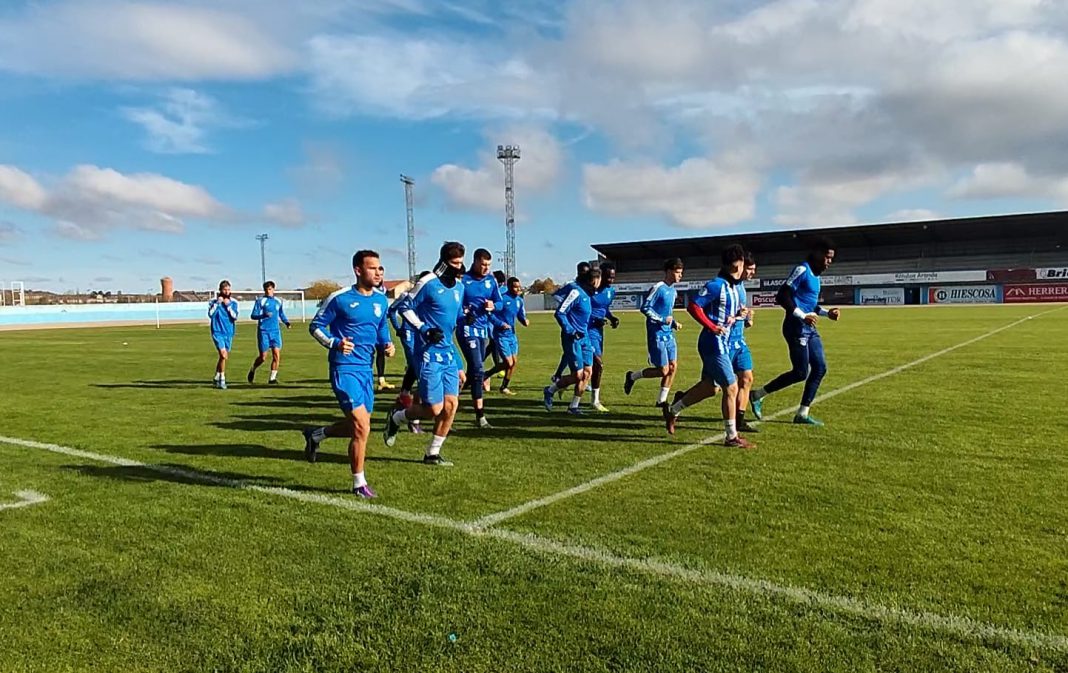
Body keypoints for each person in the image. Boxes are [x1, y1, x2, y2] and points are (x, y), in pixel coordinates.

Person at [301, 250, 395, 498]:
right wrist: (335, 343)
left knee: (358, 427)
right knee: (362, 426)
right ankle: (358, 483)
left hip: (366, 369)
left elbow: (381, 326)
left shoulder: (381, 300)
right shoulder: (340, 298)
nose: (378, 272)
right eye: (373, 268)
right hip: (344, 368)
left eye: (380, 268)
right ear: (358, 270)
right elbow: (316, 326)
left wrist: (387, 344)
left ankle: (316, 434)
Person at [662, 244, 755, 448]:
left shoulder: (737, 286)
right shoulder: (716, 285)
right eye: (742, 264)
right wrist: (712, 326)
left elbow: (735, 313)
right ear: (737, 265)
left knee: (710, 388)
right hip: (714, 343)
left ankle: (673, 409)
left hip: (731, 342)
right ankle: (731, 437)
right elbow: (693, 305)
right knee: (730, 387)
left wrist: (744, 316)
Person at [383, 242, 467, 466]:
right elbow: (404, 307)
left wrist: (459, 362)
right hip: (428, 353)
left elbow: (455, 323)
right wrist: (424, 328)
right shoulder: (428, 282)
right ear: (444, 262)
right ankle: (397, 417)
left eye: (461, 262)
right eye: (455, 263)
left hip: (448, 354)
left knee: (451, 406)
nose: (459, 267)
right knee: (434, 408)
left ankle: (432, 453)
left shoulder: (459, 288)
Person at [750, 237, 841, 426]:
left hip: (809, 328)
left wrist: (826, 313)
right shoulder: (802, 270)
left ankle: (802, 413)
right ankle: (757, 395)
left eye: (831, 258)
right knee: (800, 372)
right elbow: (782, 295)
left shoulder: (816, 277)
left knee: (820, 368)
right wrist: (801, 315)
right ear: (817, 253)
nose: (829, 262)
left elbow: (810, 304)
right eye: (827, 257)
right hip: (795, 326)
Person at [624, 258, 684, 407]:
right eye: (678, 272)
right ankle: (632, 376)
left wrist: (674, 323)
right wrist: (662, 320)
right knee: (663, 370)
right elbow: (645, 308)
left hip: (669, 333)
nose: (680, 276)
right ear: (669, 271)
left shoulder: (673, 291)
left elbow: (667, 313)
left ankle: (661, 401)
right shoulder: (659, 288)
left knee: (673, 367)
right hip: (656, 334)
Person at [543, 267, 601, 414]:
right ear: (593, 280)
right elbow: (560, 313)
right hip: (572, 338)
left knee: (588, 373)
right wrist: (570, 330)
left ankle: (573, 407)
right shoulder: (576, 292)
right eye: (598, 280)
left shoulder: (588, 296)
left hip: (585, 338)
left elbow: (583, 317)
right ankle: (550, 390)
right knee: (578, 375)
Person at [456, 248, 503, 429]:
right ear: (475, 262)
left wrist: (493, 305)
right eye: (483, 264)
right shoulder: (463, 281)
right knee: (477, 367)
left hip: (483, 329)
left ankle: (449, 401)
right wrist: (464, 313)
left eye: (488, 265)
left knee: (474, 372)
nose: (485, 268)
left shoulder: (491, 281)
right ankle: (480, 416)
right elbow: (456, 304)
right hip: (467, 329)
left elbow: (498, 303)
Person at [486, 276, 529, 395]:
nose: (517, 289)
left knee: (513, 363)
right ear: (509, 287)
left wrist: (524, 320)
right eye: (515, 287)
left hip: (512, 335)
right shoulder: (502, 300)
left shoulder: (519, 301)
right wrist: (500, 324)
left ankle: (504, 387)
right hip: (500, 335)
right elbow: (490, 315)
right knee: (508, 363)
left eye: (519, 287)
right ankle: (487, 374)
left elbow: (520, 315)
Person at [551, 261, 592, 386]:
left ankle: (558, 375)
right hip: (571, 327)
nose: (583, 274)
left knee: (570, 354)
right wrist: (568, 309)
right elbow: (557, 296)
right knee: (570, 351)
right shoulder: (572, 286)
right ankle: (559, 377)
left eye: (586, 272)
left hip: (582, 328)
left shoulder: (587, 288)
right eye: (582, 272)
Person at [732, 252, 759, 432]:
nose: (752, 273)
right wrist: (737, 317)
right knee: (712, 388)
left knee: (747, 378)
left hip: (739, 342)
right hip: (723, 342)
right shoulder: (726, 287)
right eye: (750, 269)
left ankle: (739, 420)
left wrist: (746, 319)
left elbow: (739, 316)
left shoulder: (741, 287)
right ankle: (679, 403)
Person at [587, 262, 619, 412]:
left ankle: (557, 386)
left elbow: (604, 308)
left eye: (613, 277)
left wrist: (611, 318)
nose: (610, 280)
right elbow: (582, 311)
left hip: (599, 332)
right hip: (587, 331)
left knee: (590, 368)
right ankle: (595, 401)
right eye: (608, 277)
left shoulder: (610, 291)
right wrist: (594, 320)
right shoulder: (589, 291)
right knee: (598, 365)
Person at [247, 280, 291, 385]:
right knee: (263, 357)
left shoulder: (278, 301)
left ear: (273, 289)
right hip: (263, 331)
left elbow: (281, 313)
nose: (268, 291)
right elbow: (253, 315)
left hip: (275, 331)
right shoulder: (260, 301)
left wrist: (286, 322)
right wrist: (263, 315)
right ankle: (253, 368)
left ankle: (272, 379)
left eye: (270, 289)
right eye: (266, 289)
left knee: (276, 354)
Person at [207, 279, 238, 389]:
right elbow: (210, 314)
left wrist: (228, 306)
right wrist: (217, 303)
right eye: (225, 289)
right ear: (220, 290)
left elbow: (235, 317)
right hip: (217, 332)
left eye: (228, 289)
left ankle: (216, 376)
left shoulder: (233, 303)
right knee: (223, 354)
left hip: (228, 332)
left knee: (223, 357)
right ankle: (222, 380)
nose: (227, 292)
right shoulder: (213, 302)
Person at [485, 270, 508, 380]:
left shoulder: (499, 292)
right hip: (495, 324)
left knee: (492, 345)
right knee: (493, 345)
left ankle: (480, 365)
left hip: (495, 324)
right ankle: (498, 368)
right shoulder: (502, 291)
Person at [374, 278, 395, 391]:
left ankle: (381, 380)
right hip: (369, 328)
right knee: (368, 353)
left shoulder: (383, 292)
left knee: (381, 352)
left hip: (380, 328)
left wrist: (387, 340)